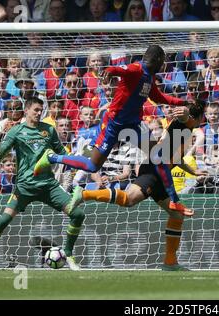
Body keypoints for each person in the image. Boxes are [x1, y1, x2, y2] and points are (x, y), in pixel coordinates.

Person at [34, 45, 194, 214]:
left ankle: (175, 201)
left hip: (133, 125)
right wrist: (109, 71)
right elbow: (118, 69)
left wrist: (183, 102)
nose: (163, 66)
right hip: (113, 125)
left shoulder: (148, 78)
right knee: (92, 166)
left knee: (158, 157)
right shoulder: (136, 69)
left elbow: (158, 97)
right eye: (163, 62)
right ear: (157, 60)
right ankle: (52, 157)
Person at [65, 102, 206, 270]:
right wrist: (184, 113)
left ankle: (170, 262)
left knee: (176, 216)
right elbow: (182, 118)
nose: (202, 120)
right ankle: (84, 194)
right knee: (129, 200)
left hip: (161, 175)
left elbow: (175, 158)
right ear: (197, 117)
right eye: (201, 117)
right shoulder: (182, 125)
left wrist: (193, 171)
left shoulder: (187, 131)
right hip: (153, 171)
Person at [0, 97, 85, 271]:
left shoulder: (49, 130)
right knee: (3, 220)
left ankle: (68, 255)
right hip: (24, 187)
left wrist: (78, 161)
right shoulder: (16, 131)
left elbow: (62, 154)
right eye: (36, 110)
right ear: (27, 110)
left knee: (77, 214)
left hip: (48, 186)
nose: (39, 113)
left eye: (41, 110)